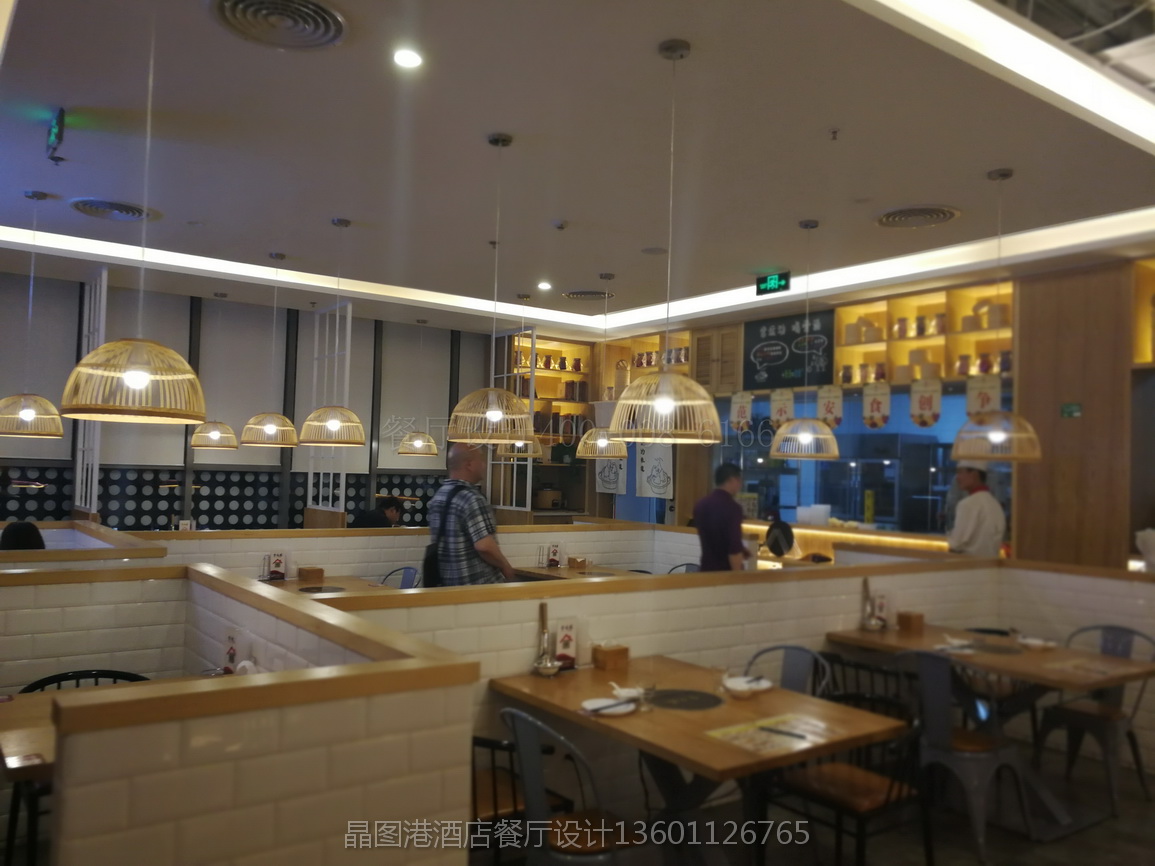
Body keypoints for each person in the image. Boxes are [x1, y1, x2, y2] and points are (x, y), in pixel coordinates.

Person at [426, 443, 514, 585]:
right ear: (469, 464)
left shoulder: (439, 496)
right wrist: (506, 566)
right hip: (477, 586)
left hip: (448, 585)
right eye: (481, 460)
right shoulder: (472, 498)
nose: (484, 465)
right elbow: (484, 546)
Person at [693, 463, 749, 571]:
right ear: (732, 480)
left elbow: (715, 537)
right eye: (739, 481)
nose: (740, 485)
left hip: (705, 569)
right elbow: (733, 549)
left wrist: (742, 549)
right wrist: (738, 575)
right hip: (725, 572)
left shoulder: (700, 505)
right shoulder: (732, 508)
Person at [947, 460, 1006, 557]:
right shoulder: (995, 504)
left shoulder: (967, 504)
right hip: (991, 564)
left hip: (968, 564)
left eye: (960, 472)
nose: (957, 478)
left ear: (974, 474)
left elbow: (956, 544)